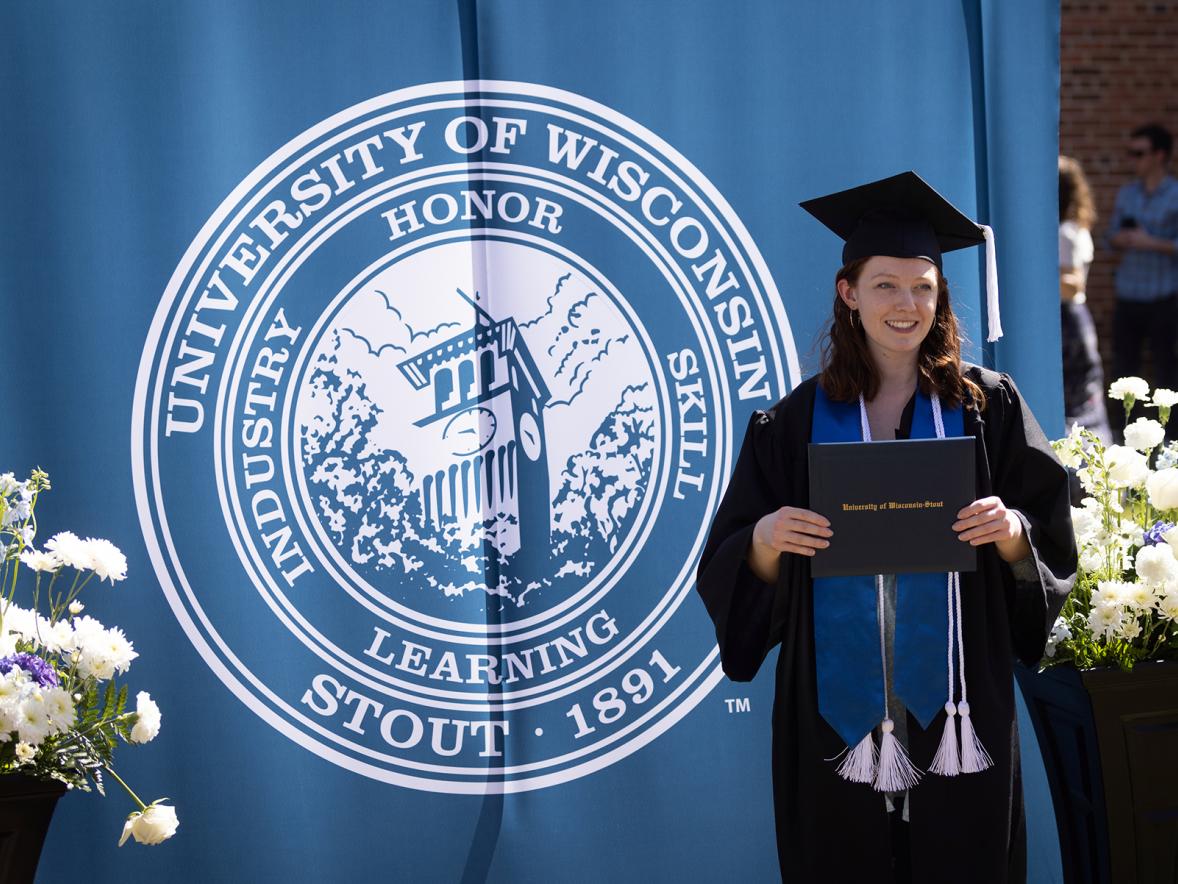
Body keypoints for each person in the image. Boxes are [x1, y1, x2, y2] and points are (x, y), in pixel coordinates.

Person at [696, 172, 1076, 883]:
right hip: (836, 714)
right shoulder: (794, 423)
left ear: (941, 295)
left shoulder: (987, 407)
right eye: (885, 286)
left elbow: (1047, 539)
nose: (906, 305)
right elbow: (732, 557)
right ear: (848, 293)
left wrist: (1012, 531)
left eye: (922, 287)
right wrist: (766, 540)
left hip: (960, 703)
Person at [1106, 123, 1178, 398]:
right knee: (1124, 369)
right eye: (1130, 153)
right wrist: (1120, 238)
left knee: (1166, 369)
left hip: (1164, 297)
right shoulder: (1127, 193)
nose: (1132, 160)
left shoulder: (1175, 193)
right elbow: (1109, 237)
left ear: (1159, 155)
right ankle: (1125, 433)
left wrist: (1152, 243)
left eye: (1138, 153)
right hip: (1128, 296)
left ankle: (1170, 437)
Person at [1059, 156, 1111, 443]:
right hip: (1076, 318)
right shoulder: (1074, 226)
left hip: (1069, 319)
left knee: (1078, 400)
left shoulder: (1066, 232)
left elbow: (1072, 284)